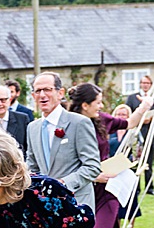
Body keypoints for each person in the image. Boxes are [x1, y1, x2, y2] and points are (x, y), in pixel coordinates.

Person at [65, 83, 152, 228]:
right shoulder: (68, 124)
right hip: (81, 191)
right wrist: (92, 174)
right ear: (84, 105)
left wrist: (144, 106)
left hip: (107, 192)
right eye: (98, 102)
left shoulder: (102, 120)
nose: (102, 106)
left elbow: (130, 123)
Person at [25, 71, 100, 210]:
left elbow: (92, 166)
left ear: (60, 93)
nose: (42, 95)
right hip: (45, 208)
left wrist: (62, 184)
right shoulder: (32, 128)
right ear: (33, 96)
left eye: (47, 89)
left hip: (76, 204)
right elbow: (32, 167)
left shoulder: (79, 123)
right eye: (38, 91)